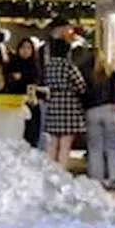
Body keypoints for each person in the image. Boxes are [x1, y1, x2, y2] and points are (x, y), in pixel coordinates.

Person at [41, 38, 87, 168]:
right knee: (65, 144)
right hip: (69, 106)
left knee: (53, 143)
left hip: (53, 104)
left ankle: (51, 171)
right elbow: (81, 85)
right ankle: (62, 172)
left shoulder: (48, 66)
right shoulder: (68, 65)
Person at [83, 50, 115, 189]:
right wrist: (114, 102)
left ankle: (96, 179)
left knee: (95, 147)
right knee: (113, 146)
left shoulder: (86, 73)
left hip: (92, 111)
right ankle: (114, 178)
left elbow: (83, 93)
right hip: (110, 110)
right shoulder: (111, 71)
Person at [6, 38, 41, 147]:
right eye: (23, 47)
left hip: (31, 103)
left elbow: (34, 83)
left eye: (28, 48)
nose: (25, 50)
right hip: (15, 104)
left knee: (31, 134)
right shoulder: (13, 64)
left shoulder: (35, 66)